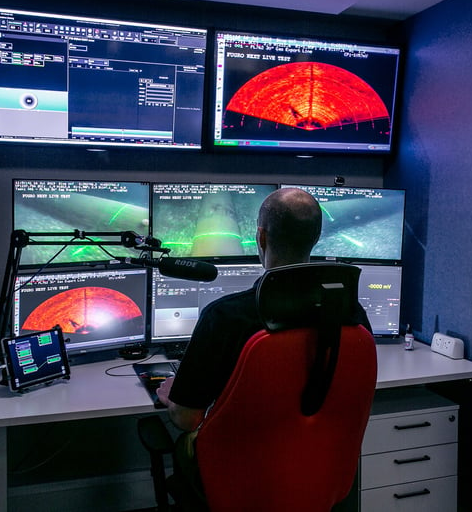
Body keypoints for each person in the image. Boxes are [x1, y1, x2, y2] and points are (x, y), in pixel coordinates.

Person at [154, 187, 372, 507]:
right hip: (317, 469)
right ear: (316, 237)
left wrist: (174, 394)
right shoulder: (350, 314)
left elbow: (187, 419)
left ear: (261, 237)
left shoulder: (226, 317)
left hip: (239, 482)